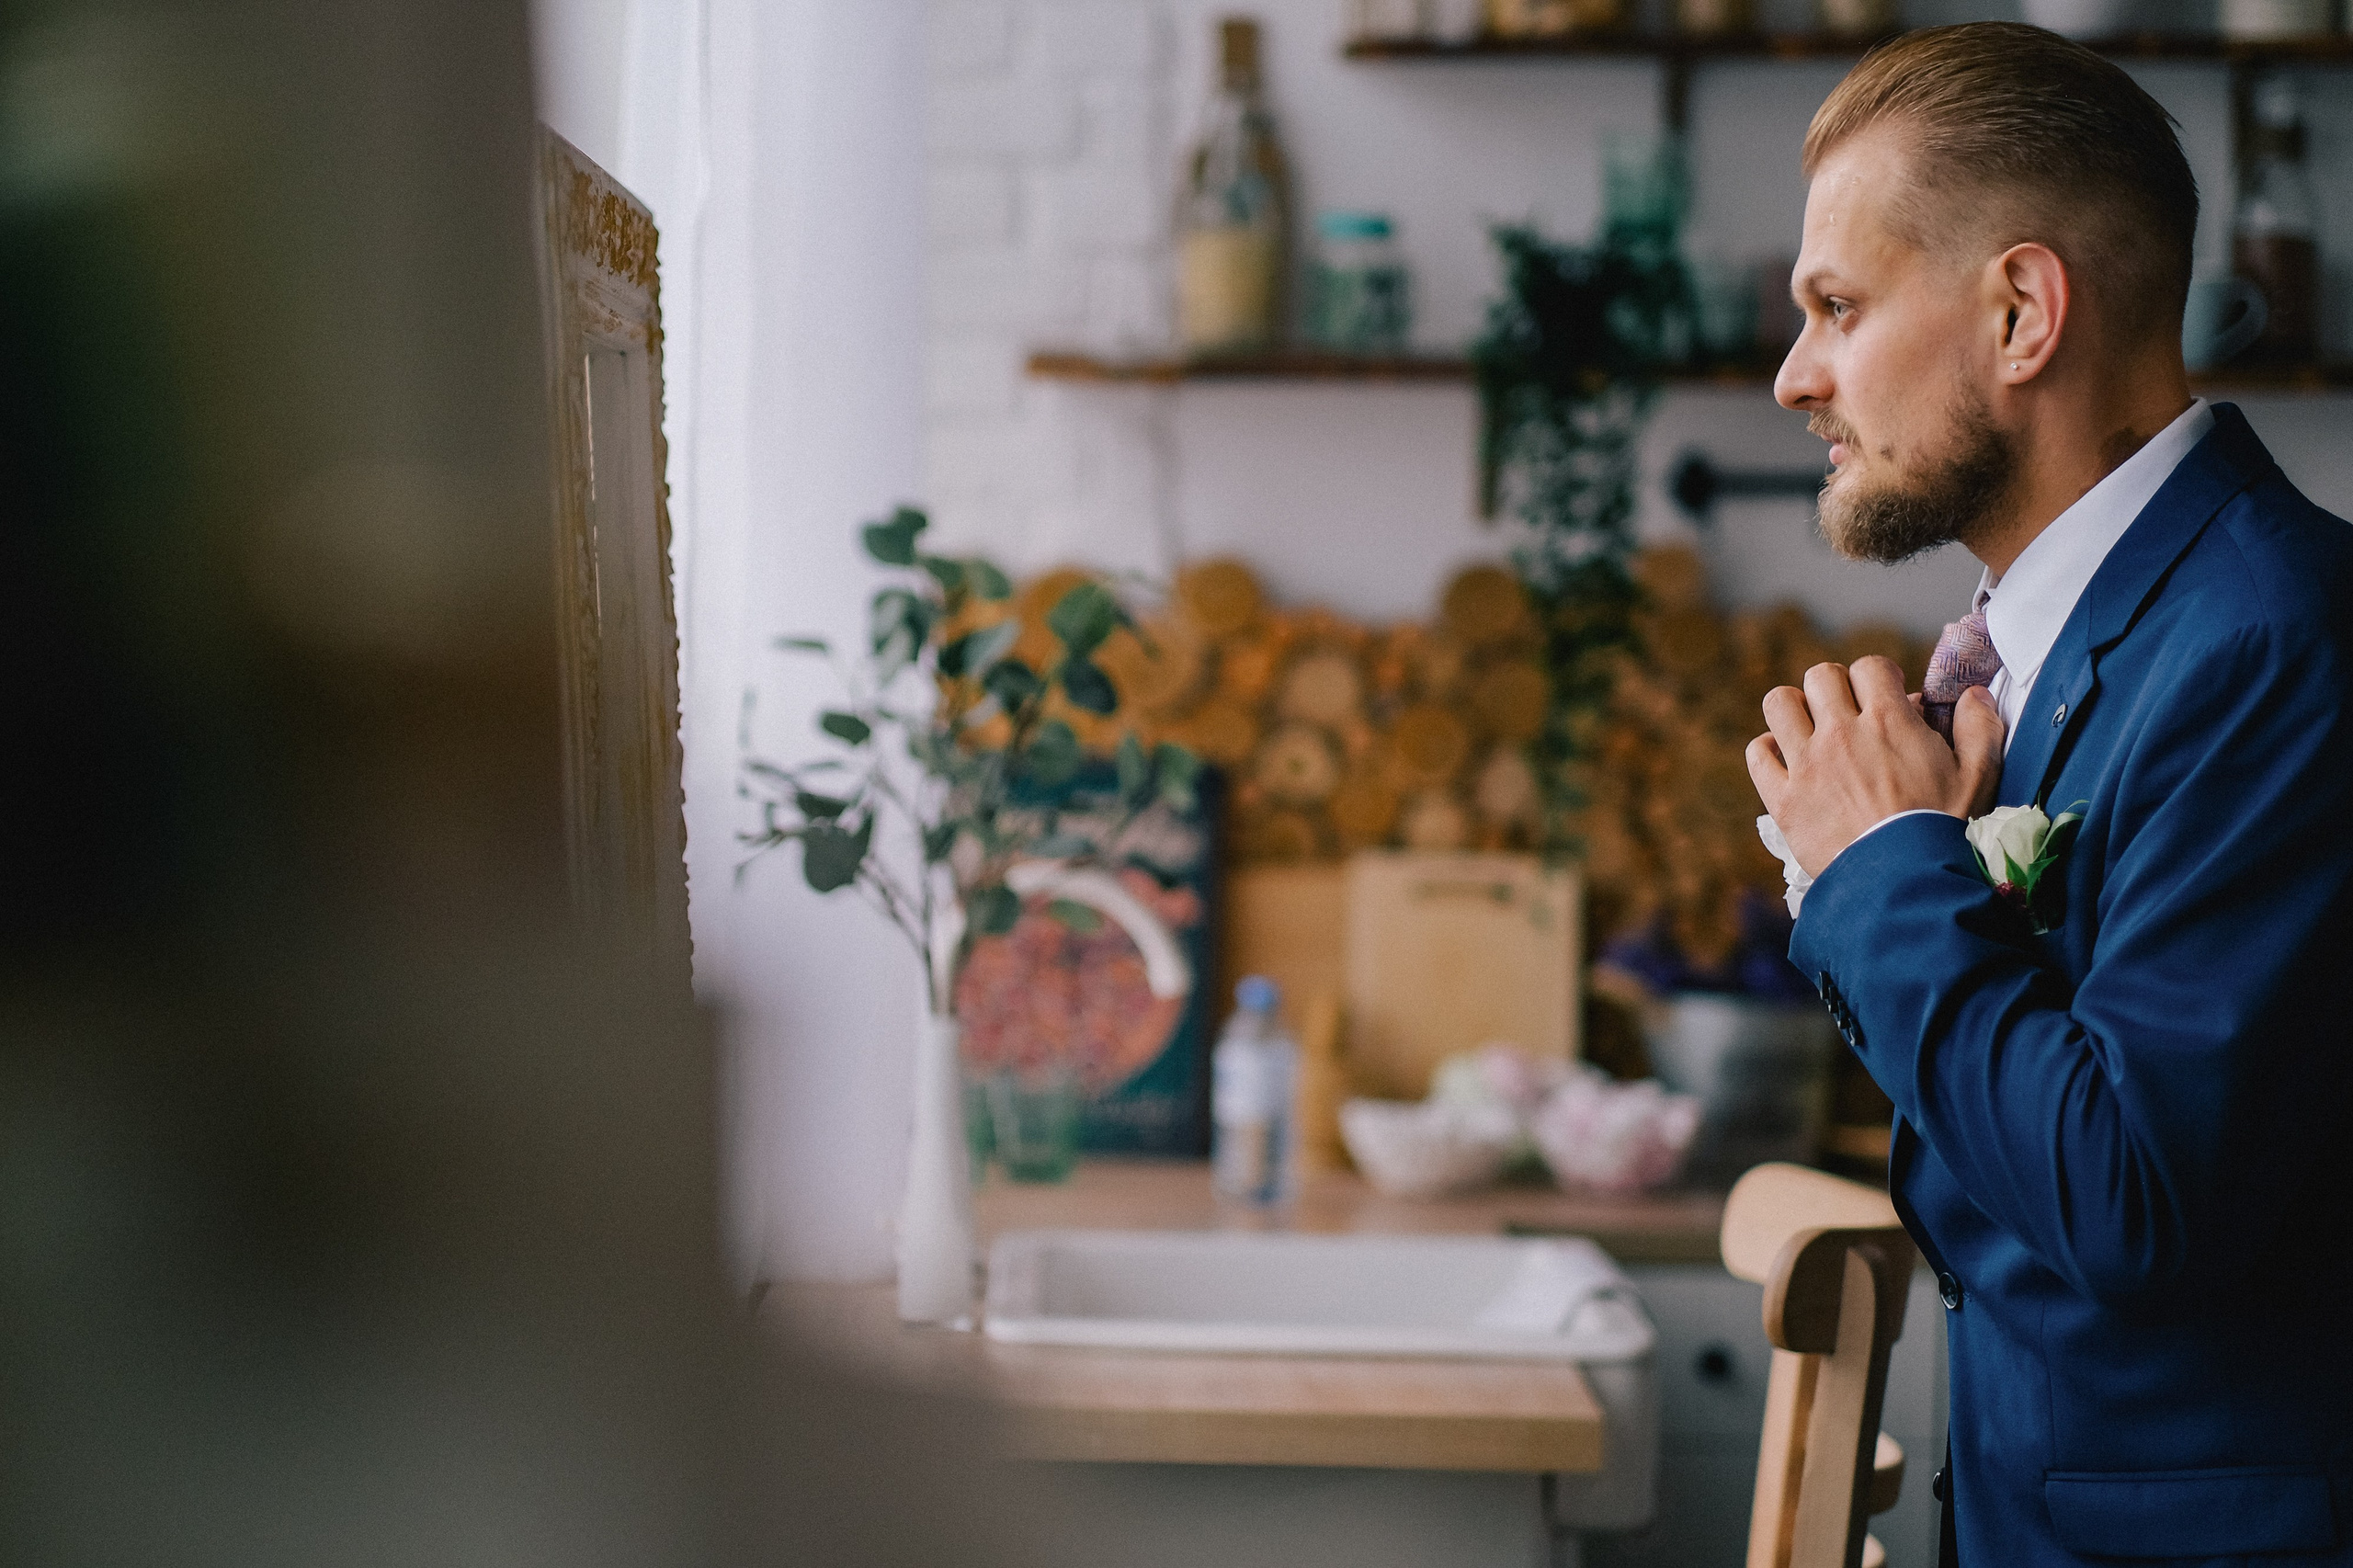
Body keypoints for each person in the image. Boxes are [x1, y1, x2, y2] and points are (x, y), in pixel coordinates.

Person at [1746, 23, 2353, 1567]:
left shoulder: (2278, 639)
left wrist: (1882, 861)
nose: (1793, 375)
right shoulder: (2067, 646)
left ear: (2022, 312)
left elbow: (2134, 1198)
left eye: (1837, 306)